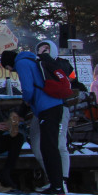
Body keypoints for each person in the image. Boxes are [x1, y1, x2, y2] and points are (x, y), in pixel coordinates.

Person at [1, 48, 67, 195]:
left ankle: (57, 186)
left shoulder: (22, 63)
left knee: (49, 147)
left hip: (47, 106)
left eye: (8, 68)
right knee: (48, 146)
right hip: (54, 104)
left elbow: (28, 90)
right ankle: (56, 185)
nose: (11, 71)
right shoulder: (31, 59)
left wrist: (23, 109)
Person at [28, 39, 71, 185]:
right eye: (40, 49)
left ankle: (62, 180)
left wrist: (46, 58)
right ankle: (54, 177)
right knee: (39, 144)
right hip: (41, 108)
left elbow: (68, 79)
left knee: (59, 144)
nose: (42, 52)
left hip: (60, 107)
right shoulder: (37, 65)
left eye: (46, 49)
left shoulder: (62, 64)